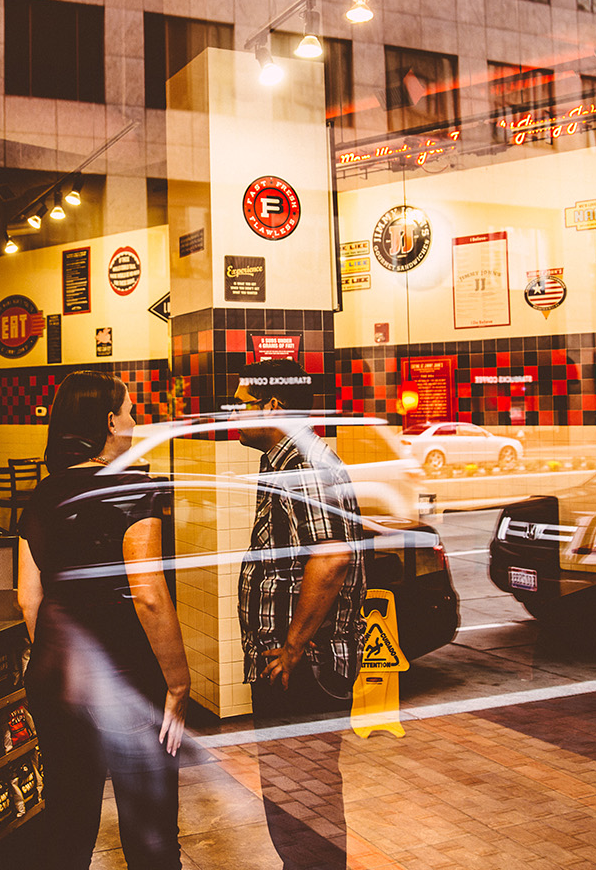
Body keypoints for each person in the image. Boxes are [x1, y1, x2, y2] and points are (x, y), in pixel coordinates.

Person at [17, 371, 189, 870]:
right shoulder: (134, 487)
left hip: (55, 680)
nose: (136, 422)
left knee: (68, 822)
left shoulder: (44, 493)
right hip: (128, 682)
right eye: (131, 411)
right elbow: (149, 595)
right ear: (109, 421)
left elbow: (28, 599)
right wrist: (178, 684)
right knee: (150, 831)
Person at [233, 359, 366, 870]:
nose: (232, 417)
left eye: (241, 405)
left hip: (302, 667)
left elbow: (330, 557)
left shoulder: (301, 465)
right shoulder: (285, 461)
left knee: (303, 797)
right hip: (294, 662)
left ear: (273, 407)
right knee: (294, 798)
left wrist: (291, 647)